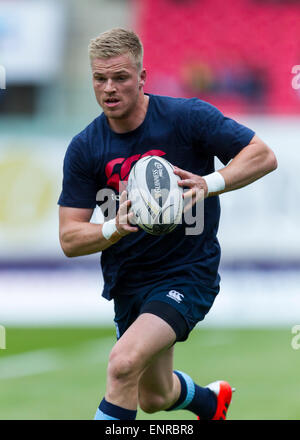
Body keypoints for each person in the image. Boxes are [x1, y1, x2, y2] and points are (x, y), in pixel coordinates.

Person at [58, 28, 277, 421]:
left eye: (121, 77)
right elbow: (70, 238)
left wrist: (209, 184)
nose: (109, 88)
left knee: (122, 363)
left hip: (186, 272)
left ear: (142, 78)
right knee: (154, 397)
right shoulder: (85, 147)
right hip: (128, 279)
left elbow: (262, 154)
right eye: (99, 78)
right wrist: (115, 228)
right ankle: (210, 403)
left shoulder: (186, 118)